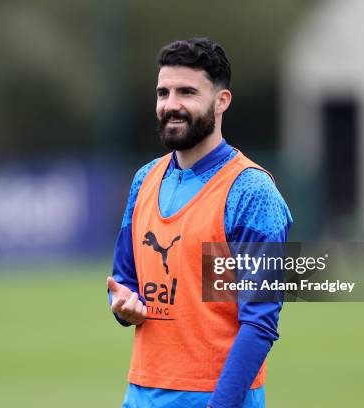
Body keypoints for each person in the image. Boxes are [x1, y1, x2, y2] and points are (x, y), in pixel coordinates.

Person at [107, 37, 293, 408]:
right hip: (140, 394)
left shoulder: (252, 192)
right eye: (163, 92)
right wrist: (122, 304)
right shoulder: (144, 180)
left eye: (187, 92)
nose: (171, 105)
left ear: (221, 101)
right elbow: (123, 279)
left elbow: (259, 322)